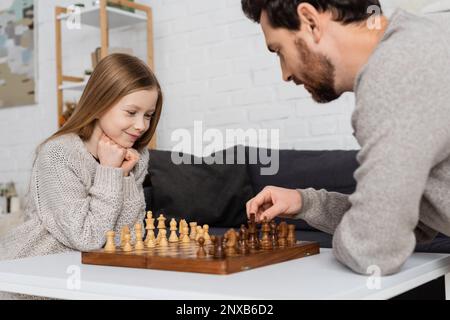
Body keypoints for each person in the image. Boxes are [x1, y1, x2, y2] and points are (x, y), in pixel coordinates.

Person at [242, 0, 450, 275]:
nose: (285, 74)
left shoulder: (395, 75)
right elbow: (414, 222)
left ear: (310, 21)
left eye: (279, 50)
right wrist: (305, 202)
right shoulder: (420, 40)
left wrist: (366, 236)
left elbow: (373, 249)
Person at [0, 53, 163, 262]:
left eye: (148, 115)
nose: (141, 125)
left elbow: (127, 239)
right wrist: (109, 173)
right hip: (32, 278)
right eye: (131, 112)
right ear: (100, 104)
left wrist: (124, 177)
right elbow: (86, 238)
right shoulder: (58, 155)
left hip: (87, 278)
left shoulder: (135, 157)